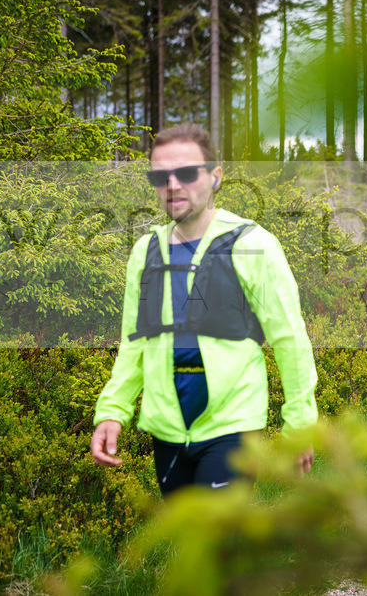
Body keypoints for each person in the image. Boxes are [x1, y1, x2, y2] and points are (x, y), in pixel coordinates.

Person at [90, 123, 317, 497]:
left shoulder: (252, 243)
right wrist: (113, 410)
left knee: (219, 538)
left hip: (233, 426)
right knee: (190, 543)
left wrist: (300, 423)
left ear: (215, 176)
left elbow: (289, 337)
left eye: (186, 173)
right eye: (161, 175)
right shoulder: (145, 252)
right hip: (167, 429)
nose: (173, 185)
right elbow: (134, 343)